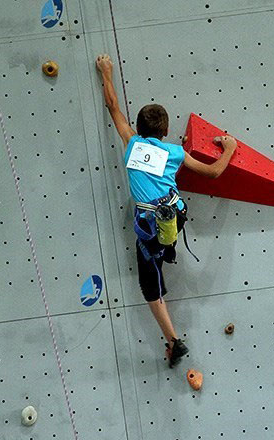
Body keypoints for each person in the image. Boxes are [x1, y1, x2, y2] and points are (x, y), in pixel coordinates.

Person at [95, 53, 237, 367]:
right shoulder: (175, 152)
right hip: (175, 215)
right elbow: (213, 173)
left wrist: (106, 71)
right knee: (159, 252)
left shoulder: (131, 142)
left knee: (150, 287)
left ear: (139, 127)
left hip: (150, 226)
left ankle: (173, 340)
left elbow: (113, 106)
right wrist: (229, 148)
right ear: (165, 129)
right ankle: (167, 252)